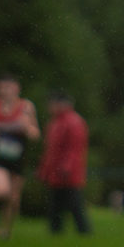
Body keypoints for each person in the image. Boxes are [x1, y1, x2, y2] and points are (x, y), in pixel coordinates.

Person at [0, 74, 40, 238]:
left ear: (17, 88)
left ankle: (5, 231)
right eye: (2, 87)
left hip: (18, 157)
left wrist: (28, 129)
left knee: (14, 198)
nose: (6, 91)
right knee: (1, 191)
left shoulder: (26, 107)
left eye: (9, 87)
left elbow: (35, 133)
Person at [37, 91, 91, 235]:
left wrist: (67, 166)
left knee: (74, 203)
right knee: (56, 203)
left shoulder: (73, 122)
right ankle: (56, 231)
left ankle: (84, 231)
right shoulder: (55, 122)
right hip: (56, 171)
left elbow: (75, 148)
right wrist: (45, 169)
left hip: (67, 172)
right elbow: (50, 149)